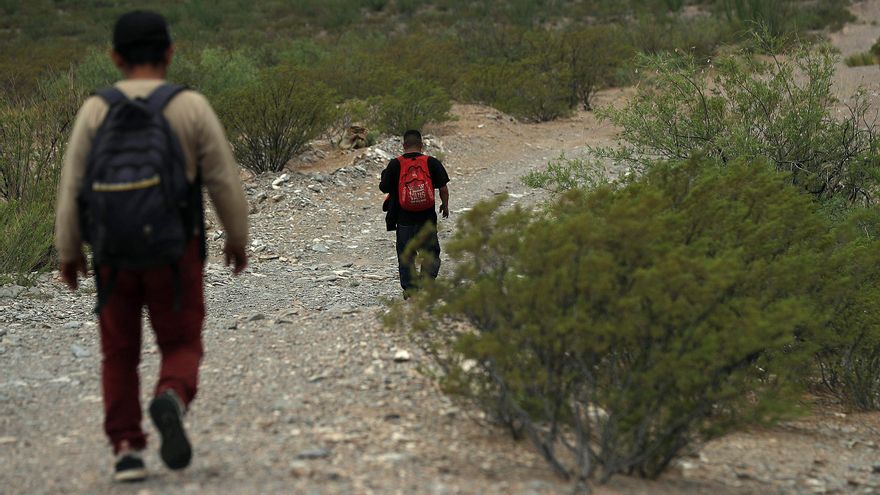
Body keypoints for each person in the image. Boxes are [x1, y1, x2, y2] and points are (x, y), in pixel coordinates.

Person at [54, 10, 249, 482]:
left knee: (118, 353)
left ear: (115, 57)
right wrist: (237, 238)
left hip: (112, 255)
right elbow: (223, 181)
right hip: (174, 251)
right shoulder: (190, 106)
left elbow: (72, 185)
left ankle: (126, 449)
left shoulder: (95, 109)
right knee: (181, 341)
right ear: (170, 52)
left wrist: (68, 250)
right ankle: (171, 396)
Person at [380, 130, 450, 297]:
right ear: (422, 145)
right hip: (427, 219)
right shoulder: (431, 162)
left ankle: (410, 290)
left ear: (404, 145)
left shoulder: (395, 164)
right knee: (431, 252)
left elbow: (384, 188)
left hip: (404, 220)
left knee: (406, 255)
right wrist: (445, 205)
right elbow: (443, 188)